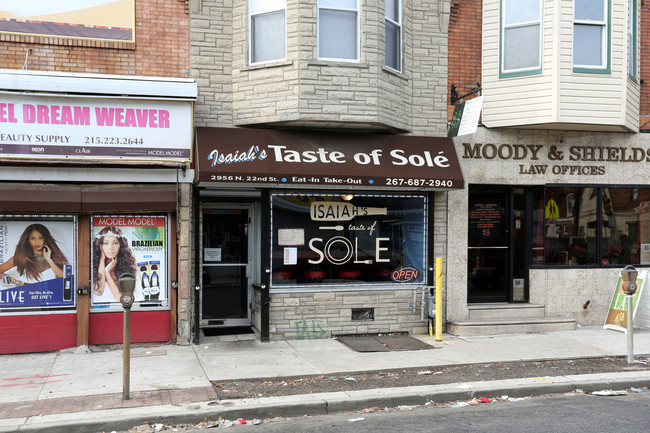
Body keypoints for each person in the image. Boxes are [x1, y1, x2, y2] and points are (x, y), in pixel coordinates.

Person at [0, 224, 69, 285]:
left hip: (50, 295)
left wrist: (49, 260)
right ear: (28, 240)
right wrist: (18, 283)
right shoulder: (22, 257)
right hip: (29, 295)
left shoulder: (56, 257)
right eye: (33, 238)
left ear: (45, 239)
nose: (37, 242)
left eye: (40, 238)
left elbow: (66, 279)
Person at [92, 226, 137, 302]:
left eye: (115, 243)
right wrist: (101, 260)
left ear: (120, 245)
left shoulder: (128, 265)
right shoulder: (93, 265)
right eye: (106, 243)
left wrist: (107, 272)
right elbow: (99, 291)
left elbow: (121, 298)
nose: (110, 247)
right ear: (100, 245)